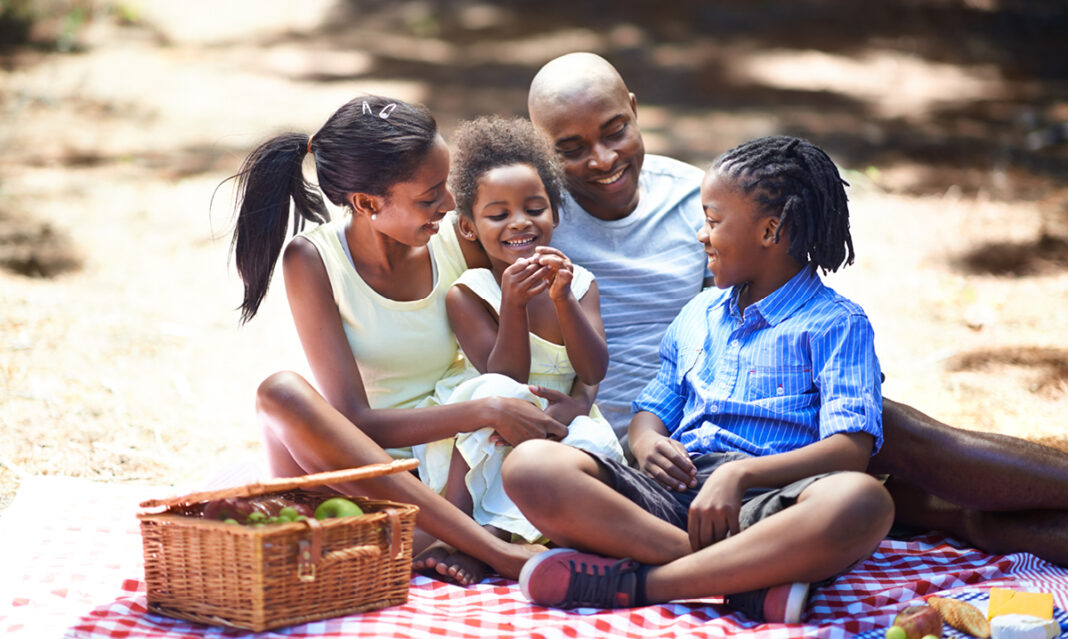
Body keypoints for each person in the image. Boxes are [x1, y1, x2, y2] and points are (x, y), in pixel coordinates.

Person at [527, 52, 1068, 567]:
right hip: (639, 442)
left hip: (747, 413)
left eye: (615, 130)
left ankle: (954, 520)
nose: (602, 159)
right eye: (571, 148)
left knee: (888, 438)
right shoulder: (530, 220)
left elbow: (741, 313)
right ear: (540, 147)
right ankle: (729, 559)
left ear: (635, 109)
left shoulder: (696, 196)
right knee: (893, 489)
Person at [504, 135, 895, 623]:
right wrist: (646, 444)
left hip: (775, 505)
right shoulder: (699, 312)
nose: (700, 235)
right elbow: (654, 409)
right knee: (531, 466)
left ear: (770, 230)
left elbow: (850, 451)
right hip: (672, 498)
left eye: (712, 221)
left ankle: (641, 584)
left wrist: (740, 473)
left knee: (863, 501)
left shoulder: (836, 323)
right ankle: (743, 581)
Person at [226, 95, 576, 587]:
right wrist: (487, 411)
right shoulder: (313, 260)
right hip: (361, 468)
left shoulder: (456, 238)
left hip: (454, 468)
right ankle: (495, 552)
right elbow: (354, 419)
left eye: (447, 186)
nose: (451, 205)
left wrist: (566, 399)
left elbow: (511, 344)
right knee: (280, 392)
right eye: (430, 197)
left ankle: (428, 538)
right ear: (369, 204)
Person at [415, 115, 625, 546]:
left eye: (534, 209)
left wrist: (564, 300)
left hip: (558, 417)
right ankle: (460, 525)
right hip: (492, 422)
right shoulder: (470, 293)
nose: (520, 223)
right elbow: (504, 378)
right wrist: (513, 304)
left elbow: (593, 369)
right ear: (470, 227)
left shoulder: (579, 284)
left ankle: (496, 535)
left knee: (591, 446)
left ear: (555, 213)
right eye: (498, 214)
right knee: (489, 394)